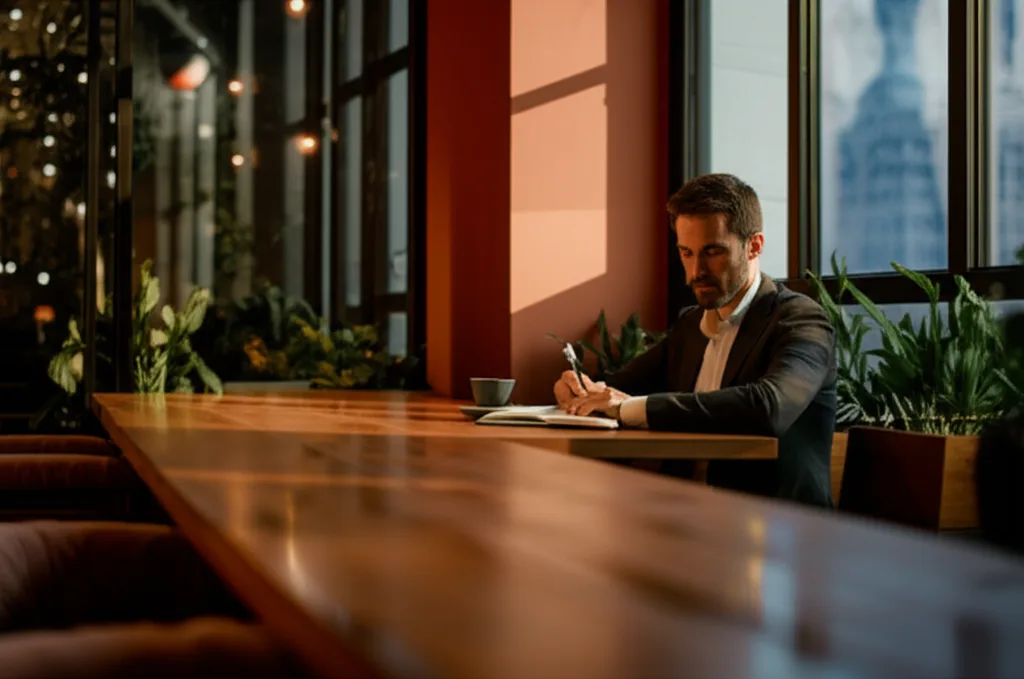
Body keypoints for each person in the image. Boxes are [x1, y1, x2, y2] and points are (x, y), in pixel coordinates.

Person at [554, 173, 837, 507]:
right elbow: (612, 389)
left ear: (754, 246)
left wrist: (627, 407)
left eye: (712, 251)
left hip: (776, 529)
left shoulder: (801, 320)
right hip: (682, 518)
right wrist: (578, 391)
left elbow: (769, 407)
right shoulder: (691, 325)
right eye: (686, 253)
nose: (695, 271)